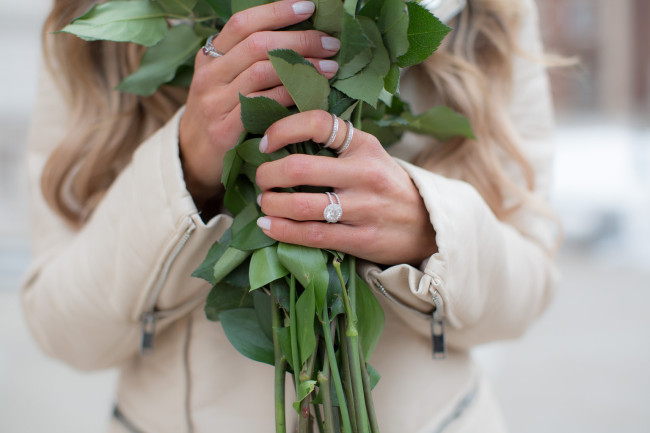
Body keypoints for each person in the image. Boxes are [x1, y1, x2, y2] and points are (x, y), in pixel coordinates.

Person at [22, 0, 558, 431]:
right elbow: (64, 332)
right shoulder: (94, 19)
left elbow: (527, 297)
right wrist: (184, 168)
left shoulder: (485, 13)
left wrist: (431, 228)